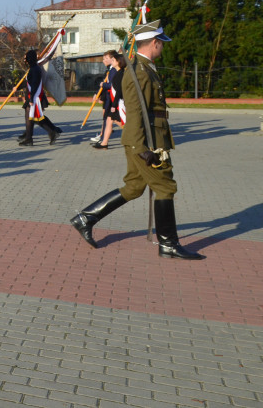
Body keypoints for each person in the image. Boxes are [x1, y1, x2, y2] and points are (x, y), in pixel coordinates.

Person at [69, 20, 204, 260]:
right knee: (165, 186)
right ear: (154, 42)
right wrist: (143, 148)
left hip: (149, 138)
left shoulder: (145, 69)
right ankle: (168, 244)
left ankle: (86, 218)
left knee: (133, 187)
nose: (163, 47)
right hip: (145, 141)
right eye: (161, 43)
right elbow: (134, 112)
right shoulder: (139, 72)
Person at [18, 48, 59, 146]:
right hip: (31, 97)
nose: (25, 60)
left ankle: (52, 131)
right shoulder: (33, 68)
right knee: (32, 117)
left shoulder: (35, 69)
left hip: (35, 97)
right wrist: (18, 87)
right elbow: (29, 82)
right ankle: (29, 137)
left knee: (35, 117)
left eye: (26, 58)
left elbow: (35, 85)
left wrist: (31, 99)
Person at [92, 50, 126, 149]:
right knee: (109, 120)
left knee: (119, 121)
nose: (111, 60)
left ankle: (132, 132)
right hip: (113, 101)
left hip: (118, 102)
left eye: (113, 59)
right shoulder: (113, 71)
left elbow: (118, 90)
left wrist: (114, 105)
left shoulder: (120, 73)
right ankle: (104, 143)